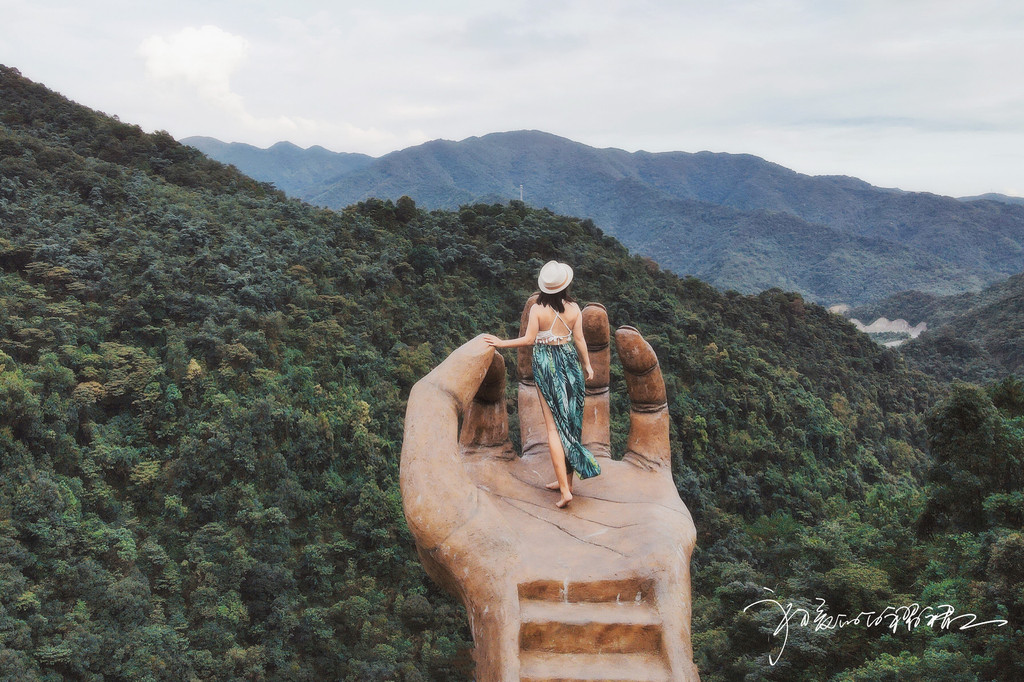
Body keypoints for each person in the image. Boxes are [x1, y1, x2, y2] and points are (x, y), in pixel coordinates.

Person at [482, 260, 602, 508]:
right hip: (570, 363)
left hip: (547, 364)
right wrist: (588, 365)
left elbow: (528, 340)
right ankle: (565, 483)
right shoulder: (574, 309)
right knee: (570, 426)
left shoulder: (538, 310)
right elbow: (578, 339)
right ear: (565, 285)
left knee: (552, 429)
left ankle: (566, 492)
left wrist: (500, 343)